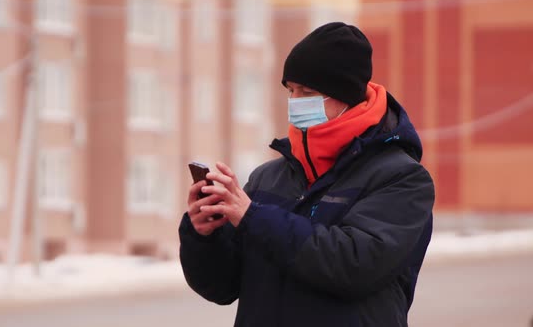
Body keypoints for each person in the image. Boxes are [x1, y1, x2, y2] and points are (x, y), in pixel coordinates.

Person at [179, 22, 435, 327]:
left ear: (347, 97)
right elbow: (222, 287)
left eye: (308, 92)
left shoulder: (402, 178)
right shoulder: (267, 178)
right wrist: (205, 235)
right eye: (291, 90)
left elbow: (354, 266)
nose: (296, 101)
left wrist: (253, 217)